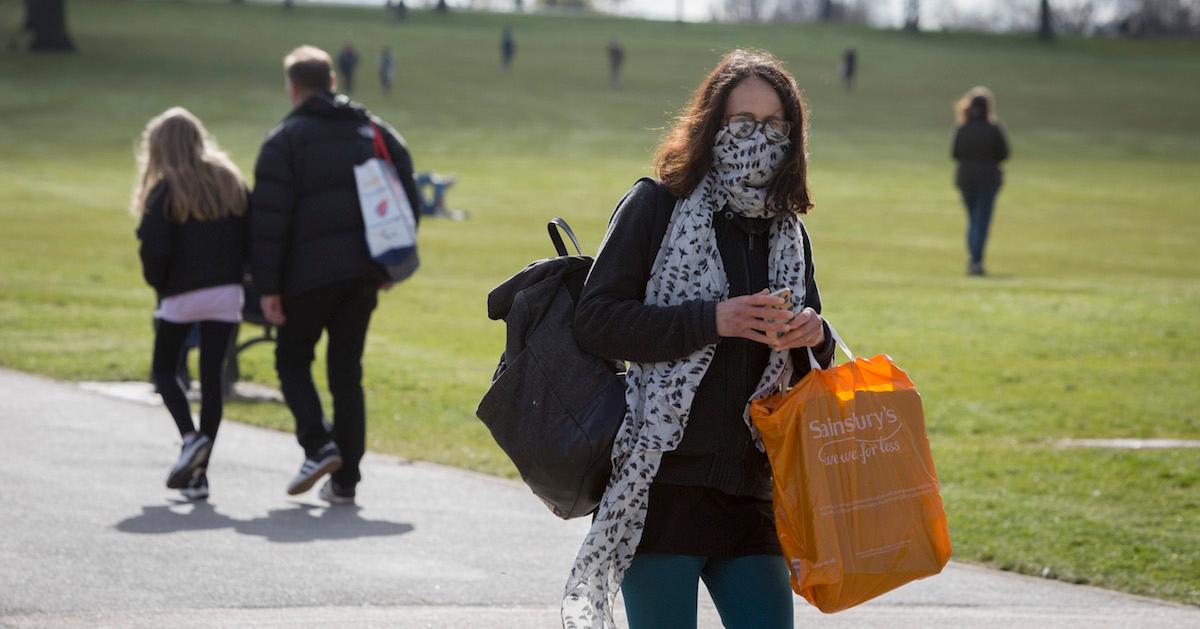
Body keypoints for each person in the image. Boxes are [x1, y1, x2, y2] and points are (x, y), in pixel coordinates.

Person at [563, 49, 836, 628]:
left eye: (772, 125)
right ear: (712, 124)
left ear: (793, 134)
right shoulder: (655, 205)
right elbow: (598, 320)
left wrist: (817, 334)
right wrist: (713, 319)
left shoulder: (789, 230)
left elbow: (809, 361)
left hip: (752, 489)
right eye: (741, 123)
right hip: (661, 485)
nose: (757, 138)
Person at [250, 45, 421, 505]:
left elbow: (269, 221)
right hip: (364, 275)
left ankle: (318, 445)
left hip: (304, 278)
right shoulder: (374, 130)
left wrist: (267, 288)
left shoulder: (284, 140)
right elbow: (408, 195)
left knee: (291, 361)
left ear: (293, 88)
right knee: (347, 373)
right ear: (332, 82)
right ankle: (346, 480)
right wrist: (391, 263)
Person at [134, 107, 249, 501]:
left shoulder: (167, 189)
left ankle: (189, 438)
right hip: (227, 293)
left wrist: (161, 285)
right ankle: (200, 474)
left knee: (165, 372)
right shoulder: (230, 180)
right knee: (212, 380)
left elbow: (154, 247)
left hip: (182, 294)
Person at [951, 86, 1009, 276]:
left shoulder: (963, 128)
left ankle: (973, 258)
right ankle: (976, 261)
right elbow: (1004, 154)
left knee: (972, 220)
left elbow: (955, 153)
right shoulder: (993, 129)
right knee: (981, 221)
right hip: (988, 180)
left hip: (966, 179)